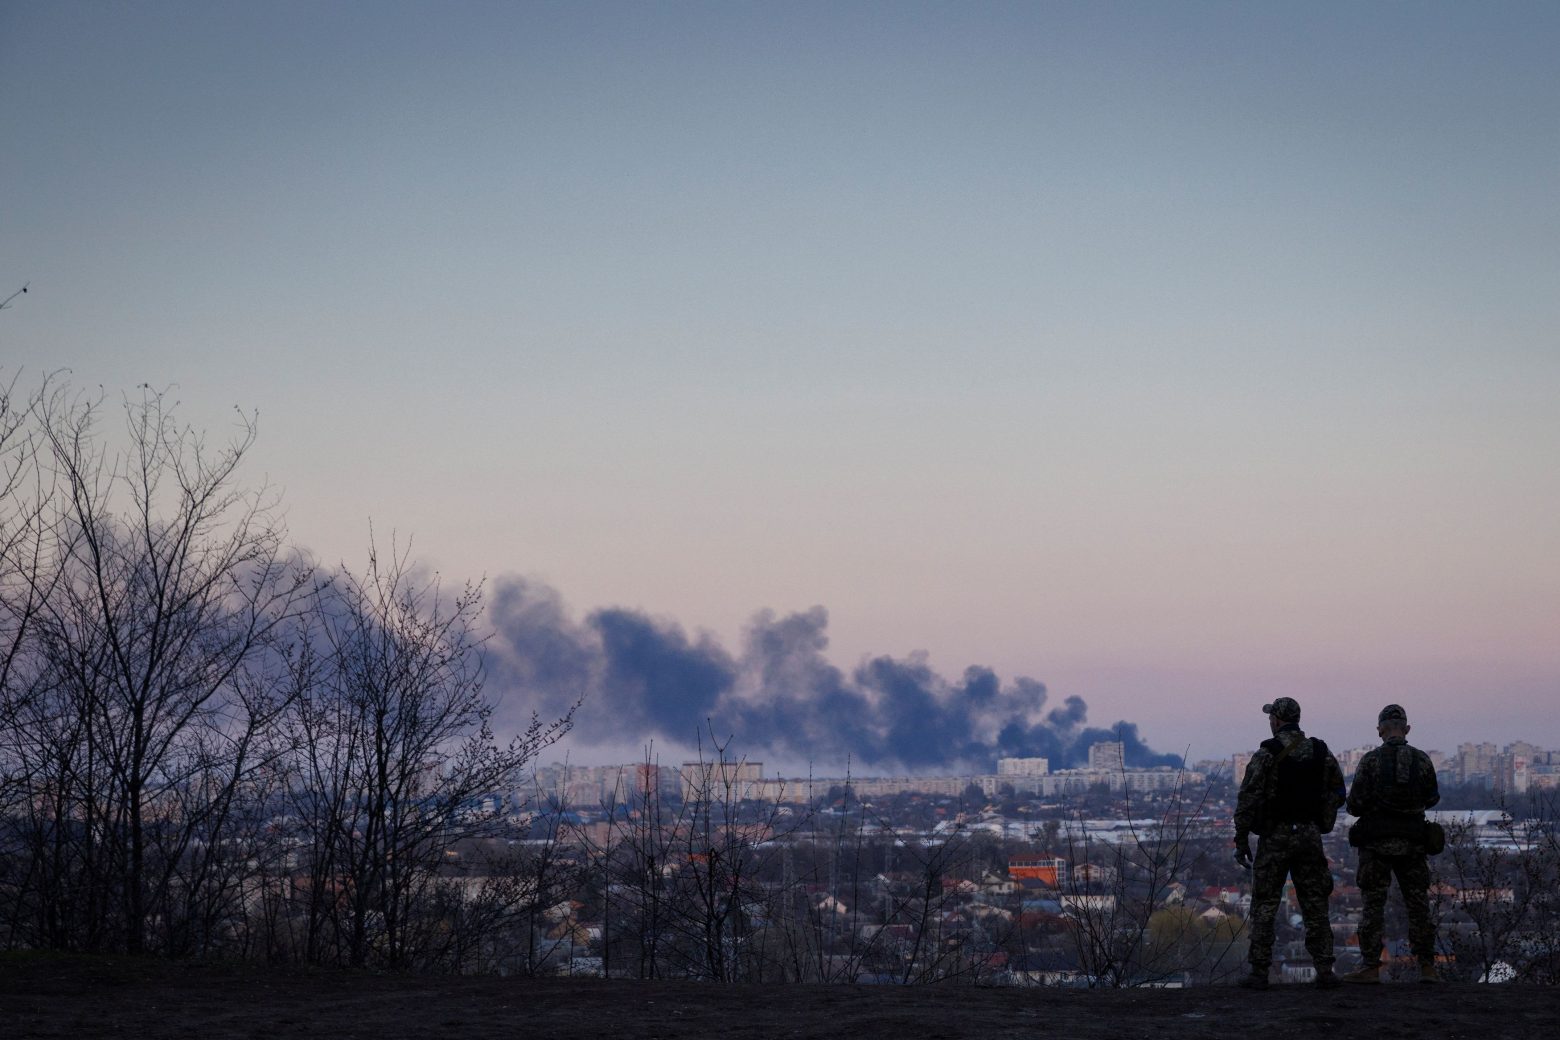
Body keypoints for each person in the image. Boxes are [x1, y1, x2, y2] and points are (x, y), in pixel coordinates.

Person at [1233, 696, 1347, 989]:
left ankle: (1259, 972)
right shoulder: (1320, 751)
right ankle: (1324, 969)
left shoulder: (1267, 752)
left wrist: (1242, 837)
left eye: (1271, 717)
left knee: (1266, 903)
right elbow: (1338, 790)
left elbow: (1248, 796)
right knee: (1314, 902)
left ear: (1277, 720)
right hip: (1309, 836)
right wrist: (1323, 819)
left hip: (1275, 836)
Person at [1342, 703, 1441, 984]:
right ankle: (1427, 967)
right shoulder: (1422, 760)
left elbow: (1355, 805)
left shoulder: (1371, 761)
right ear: (1406, 729)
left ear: (1380, 730)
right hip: (1413, 843)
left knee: (1373, 905)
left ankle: (1371, 966)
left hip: (1377, 845)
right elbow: (1432, 798)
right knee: (1418, 904)